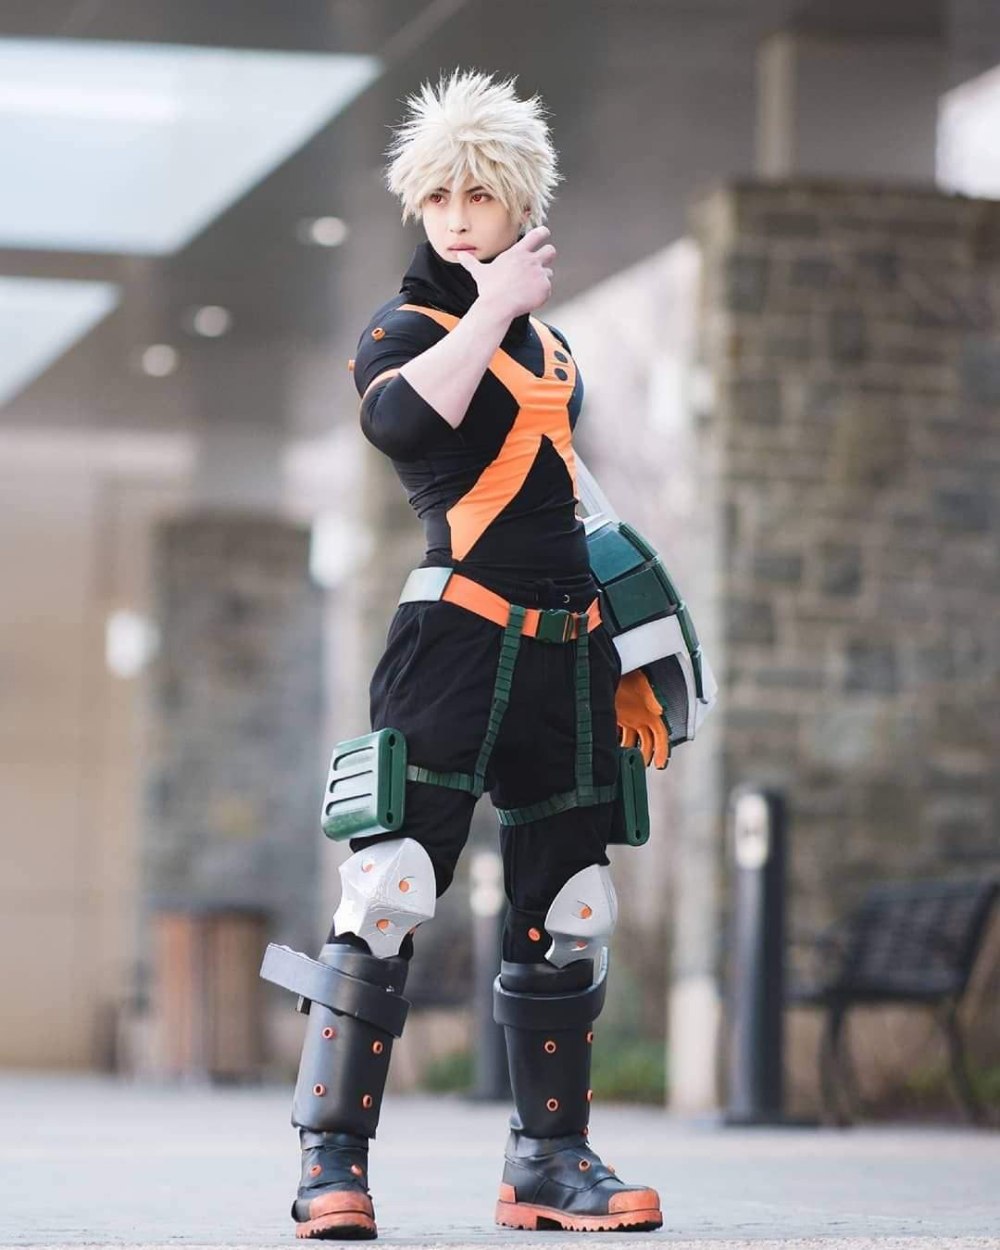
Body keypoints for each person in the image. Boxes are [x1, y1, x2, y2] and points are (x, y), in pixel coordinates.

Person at [264, 69, 665, 1240]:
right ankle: (329, 1160)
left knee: (572, 906)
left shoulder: (556, 353)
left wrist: (633, 652)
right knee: (388, 884)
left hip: (564, 654)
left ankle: (548, 1162)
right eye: (437, 193)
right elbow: (398, 421)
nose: (453, 214)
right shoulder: (406, 328)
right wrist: (491, 307)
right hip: (453, 639)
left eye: (478, 193)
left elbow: (575, 506)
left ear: (518, 200)